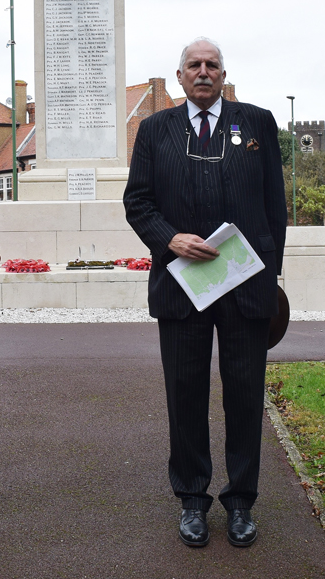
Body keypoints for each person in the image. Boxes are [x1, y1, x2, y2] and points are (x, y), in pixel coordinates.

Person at [123, 37, 287, 547]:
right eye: (193, 65)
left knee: (244, 397)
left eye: (211, 65)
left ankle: (241, 502)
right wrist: (170, 239)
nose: (203, 72)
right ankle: (192, 499)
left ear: (223, 74)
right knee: (186, 397)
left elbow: (274, 208)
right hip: (181, 288)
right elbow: (138, 202)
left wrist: (270, 275)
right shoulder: (154, 130)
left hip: (245, 289)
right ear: (179, 77)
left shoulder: (257, 123)